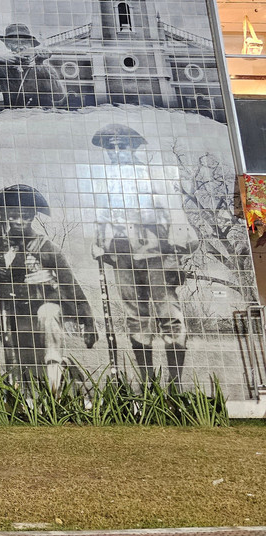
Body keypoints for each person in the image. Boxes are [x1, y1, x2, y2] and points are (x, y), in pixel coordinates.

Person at [90, 124, 196, 384]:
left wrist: (176, 244)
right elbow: (100, 216)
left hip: (156, 248)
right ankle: (148, 382)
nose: (115, 152)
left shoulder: (152, 174)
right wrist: (98, 243)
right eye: (110, 148)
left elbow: (173, 210)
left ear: (134, 147)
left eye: (121, 145)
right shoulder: (103, 181)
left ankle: (174, 383)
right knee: (136, 315)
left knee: (167, 312)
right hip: (121, 251)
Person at [0, 184, 98, 388]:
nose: (20, 221)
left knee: (48, 313)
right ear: (7, 216)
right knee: (21, 362)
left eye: (26, 215)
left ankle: (55, 386)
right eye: (14, 215)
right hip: (14, 313)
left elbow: (69, 282)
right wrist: (3, 271)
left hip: (44, 308)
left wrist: (87, 319)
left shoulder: (46, 247)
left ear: (33, 216)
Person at [0, 23, 68, 109]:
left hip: (41, 118)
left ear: (31, 45)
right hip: (13, 118)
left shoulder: (45, 67)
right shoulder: (2, 68)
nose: (20, 47)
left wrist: (39, 65)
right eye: (14, 43)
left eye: (23, 42)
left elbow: (59, 96)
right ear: (8, 45)